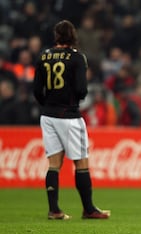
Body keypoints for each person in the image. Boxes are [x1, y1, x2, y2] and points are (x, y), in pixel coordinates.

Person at [33, 20, 110, 220]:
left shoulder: (44, 56)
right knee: (81, 162)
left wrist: (48, 103)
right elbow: (82, 89)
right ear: (73, 35)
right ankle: (89, 209)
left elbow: (36, 90)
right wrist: (74, 100)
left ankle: (54, 210)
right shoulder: (77, 58)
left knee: (53, 163)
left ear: (56, 35)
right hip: (69, 115)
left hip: (48, 115)